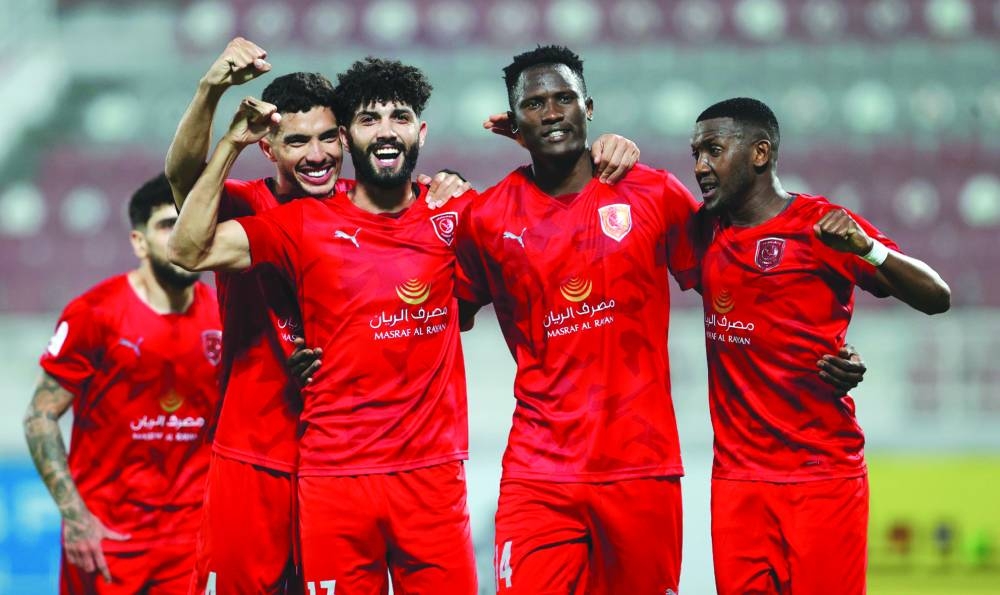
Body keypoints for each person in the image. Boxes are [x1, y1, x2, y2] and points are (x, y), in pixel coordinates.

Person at [454, 46, 871, 594]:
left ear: (590, 107)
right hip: (540, 471)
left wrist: (822, 343)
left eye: (564, 99)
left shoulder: (651, 193)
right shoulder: (486, 218)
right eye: (534, 104)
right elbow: (443, 314)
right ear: (514, 120)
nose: (551, 112)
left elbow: (739, 275)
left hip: (642, 468)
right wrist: (440, 188)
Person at [164, 39, 470, 594]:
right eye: (298, 140)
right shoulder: (245, 204)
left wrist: (444, 181)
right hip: (256, 447)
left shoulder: (362, 199)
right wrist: (214, 98)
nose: (318, 154)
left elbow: (414, 223)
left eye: (329, 137)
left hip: (336, 456)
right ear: (270, 149)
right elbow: (185, 187)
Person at [689, 97, 950, 594]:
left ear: (760, 153)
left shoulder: (822, 226)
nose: (701, 166)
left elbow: (937, 296)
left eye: (713, 150)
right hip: (737, 483)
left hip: (821, 476)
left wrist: (868, 249)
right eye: (696, 153)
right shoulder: (704, 230)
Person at [23, 174, 222, 594]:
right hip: (108, 541)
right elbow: (40, 416)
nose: (182, 234)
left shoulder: (227, 314)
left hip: (192, 541)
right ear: (138, 241)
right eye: (168, 224)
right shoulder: (94, 314)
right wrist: (75, 517)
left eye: (190, 222)